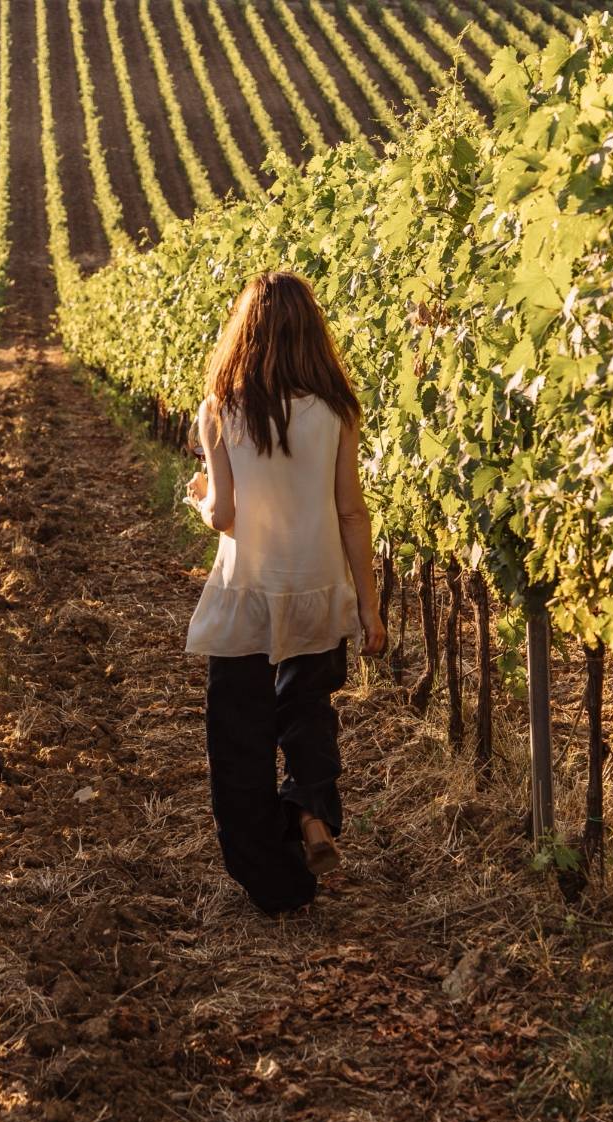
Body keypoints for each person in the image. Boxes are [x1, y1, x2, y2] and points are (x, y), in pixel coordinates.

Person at [184, 272, 386, 915]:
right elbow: (352, 513)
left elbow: (223, 516)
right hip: (317, 592)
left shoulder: (221, 408)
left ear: (246, 334)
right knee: (308, 713)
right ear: (311, 336)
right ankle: (309, 810)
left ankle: (277, 884)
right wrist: (369, 606)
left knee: (239, 741)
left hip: (248, 594)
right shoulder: (335, 411)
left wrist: (197, 498)